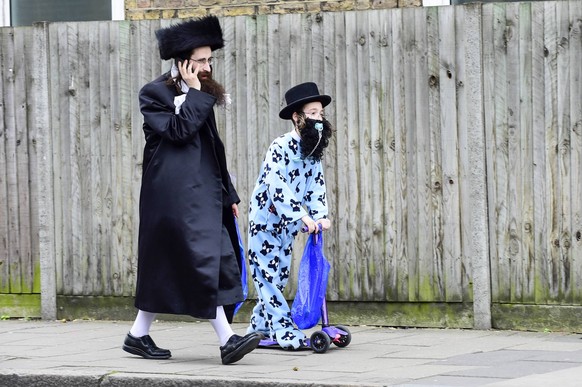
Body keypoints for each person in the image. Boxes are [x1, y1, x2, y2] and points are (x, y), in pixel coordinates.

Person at [122, 16, 261, 365]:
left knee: (176, 264)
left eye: (209, 60)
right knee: (200, 259)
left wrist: (229, 195)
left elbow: (213, 147)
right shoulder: (153, 94)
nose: (206, 66)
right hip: (170, 197)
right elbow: (179, 132)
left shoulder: (201, 93)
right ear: (181, 61)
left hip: (202, 193)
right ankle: (227, 339)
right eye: (200, 61)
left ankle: (138, 335)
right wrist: (196, 92)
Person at [246, 82, 333, 349]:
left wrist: (320, 215)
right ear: (298, 117)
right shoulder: (280, 147)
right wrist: (300, 216)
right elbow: (276, 184)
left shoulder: (311, 152)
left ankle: (258, 328)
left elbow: (316, 186)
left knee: (278, 277)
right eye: (314, 113)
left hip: (286, 230)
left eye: (321, 113)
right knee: (268, 278)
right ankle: (285, 333)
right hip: (264, 224)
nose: (319, 119)